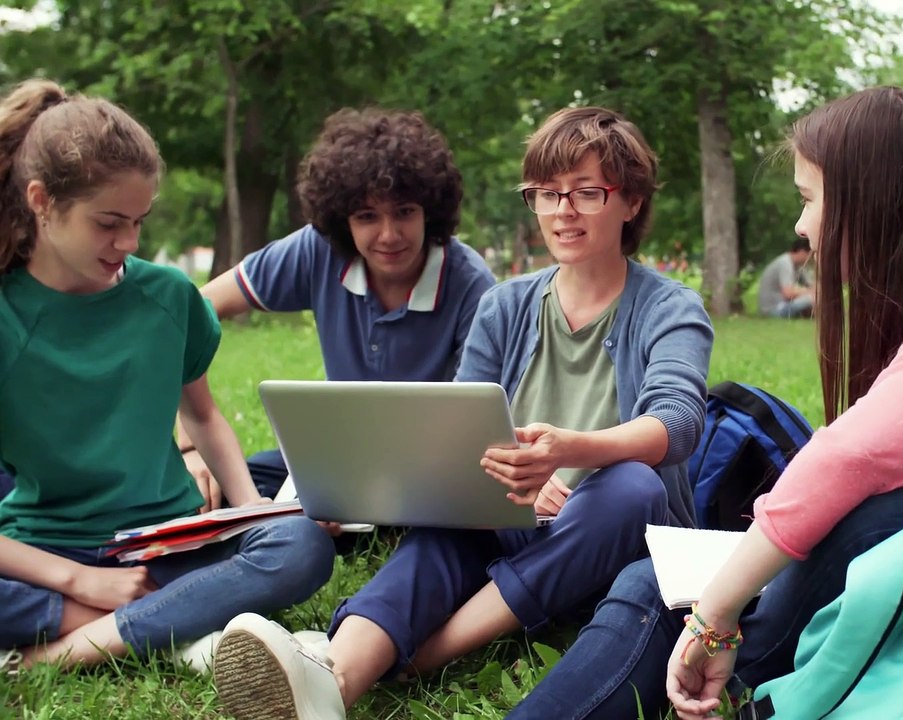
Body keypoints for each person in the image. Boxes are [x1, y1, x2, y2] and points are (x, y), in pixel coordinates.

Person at [504, 86, 903, 719]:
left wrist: (719, 613)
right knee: (655, 582)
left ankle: (733, 664)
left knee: (864, 511)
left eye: (808, 199)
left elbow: (848, 460)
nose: (800, 226)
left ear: (869, 202)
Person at [209, 106, 714, 719]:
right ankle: (335, 680)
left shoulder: (669, 308)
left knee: (630, 486)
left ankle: (418, 657)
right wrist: (506, 477)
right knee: (448, 526)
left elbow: (679, 423)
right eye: (547, 194)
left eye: (587, 192)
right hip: (512, 517)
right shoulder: (505, 305)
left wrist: (566, 452)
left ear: (630, 202)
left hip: (612, 536)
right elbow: (457, 430)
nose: (563, 211)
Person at [0, 79, 334, 669]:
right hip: (44, 548)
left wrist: (252, 511)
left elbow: (202, 415)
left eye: (139, 222)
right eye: (108, 223)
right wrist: (80, 581)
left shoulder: (169, 296)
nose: (127, 242)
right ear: (41, 201)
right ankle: (178, 628)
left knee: (298, 543)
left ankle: (57, 654)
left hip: (166, 539)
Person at [177, 107, 495, 506]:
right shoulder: (318, 250)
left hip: (432, 474)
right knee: (210, 491)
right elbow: (192, 312)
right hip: (335, 459)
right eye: (366, 216)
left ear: (429, 210)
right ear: (342, 219)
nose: (389, 234)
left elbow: (477, 427)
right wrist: (191, 441)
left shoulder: (472, 285)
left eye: (405, 212)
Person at [756, 237, 813, 318]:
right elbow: (788, 293)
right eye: (810, 255)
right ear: (802, 252)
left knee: (815, 297)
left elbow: (811, 285)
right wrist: (809, 291)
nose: (810, 259)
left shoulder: (799, 266)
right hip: (774, 308)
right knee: (811, 299)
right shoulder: (785, 263)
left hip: (784, 305)